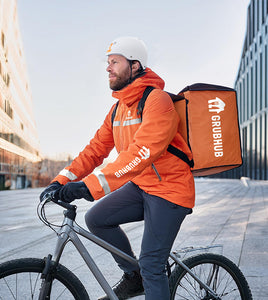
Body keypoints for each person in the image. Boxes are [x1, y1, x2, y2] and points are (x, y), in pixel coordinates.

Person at [40, 36, 195, 300]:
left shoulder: (158, 101)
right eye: (108, 62)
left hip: (170, 190)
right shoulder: (117, 110)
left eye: (115, 61)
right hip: (142, 186)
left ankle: (144, 274)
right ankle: (133, 278)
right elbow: (94, 151)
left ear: (135, 66)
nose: (108, 68)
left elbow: (141, 153)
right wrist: (61, 181)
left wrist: (88, 187)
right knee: (97, 219)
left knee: (152, 265)